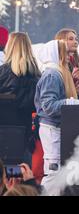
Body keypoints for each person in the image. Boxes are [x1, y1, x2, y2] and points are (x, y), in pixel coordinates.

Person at [34, 40, 79, 195]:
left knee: (55, 169)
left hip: (54, 127)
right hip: (51, 127)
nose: (67, 54)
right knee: (53, 170)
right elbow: (49, 106)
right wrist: (74, 103)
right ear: (56, 53)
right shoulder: (52, 74)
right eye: (63, 51)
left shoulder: (55, 73)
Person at [0, 32, 41, 165]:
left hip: (3, 130)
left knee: (4, 174)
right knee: (22, 171)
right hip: (26, 131)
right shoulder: (37, 75)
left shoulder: (2, 72)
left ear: (9, 47)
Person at [55, 29, 79, 101]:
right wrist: (74, 89)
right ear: (61, 41)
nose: (75, 42)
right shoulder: (57, 65)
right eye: (71, 39)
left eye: (76, 39)